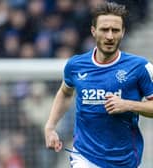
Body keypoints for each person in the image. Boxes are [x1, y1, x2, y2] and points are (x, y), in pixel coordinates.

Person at [44, 2, 153, 168]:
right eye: (104, 29)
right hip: (85, 157)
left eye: (115, 30)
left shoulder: (140, 67)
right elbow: (65, 93)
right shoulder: (76, 65)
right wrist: (50, 126)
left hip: (126, 160)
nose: (109, 36)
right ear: (93, 31)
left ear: (123, 32)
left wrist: (127, 105)